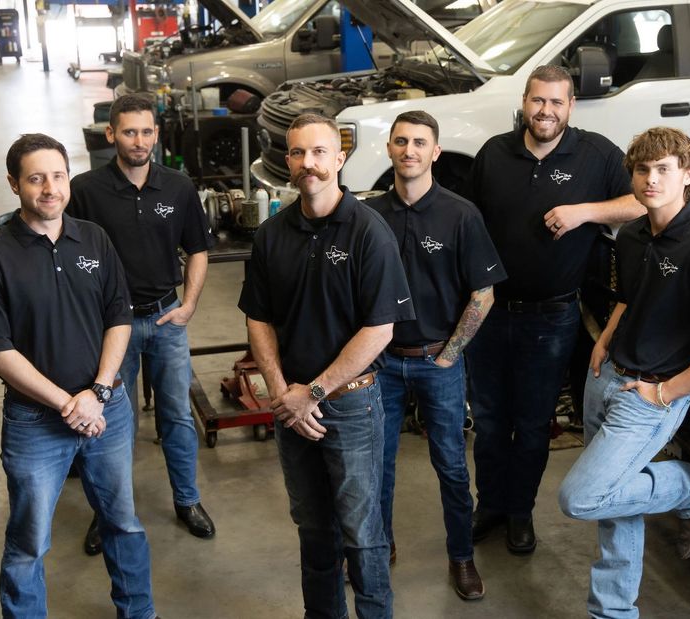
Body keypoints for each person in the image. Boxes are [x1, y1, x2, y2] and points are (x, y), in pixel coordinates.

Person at [557, 127, 690, 618]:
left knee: (582, 498)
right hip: (606, 376)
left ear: (688, 175)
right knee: (614, 503)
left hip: (649, 395)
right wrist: (602, 339)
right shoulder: (634, 233)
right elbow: (630, 297)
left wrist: (662, 394)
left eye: (664, 169)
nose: (651, 179)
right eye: (643, 169)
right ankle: (613, 613)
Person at [0, 133, 155, 619]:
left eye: (57, 175)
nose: (49, 188)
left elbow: (119, 316)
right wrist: (69, 404)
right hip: (36, 425)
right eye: (35, 178)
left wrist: (99, 391)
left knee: (124, 524)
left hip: (105, 411)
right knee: (29, 542)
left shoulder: (92, 238)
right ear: (14, 184)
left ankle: (139, 612)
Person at [239, 113, 415, 618]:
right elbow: (259, 319)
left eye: (319, 153)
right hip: (292, 408)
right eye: (298, 153)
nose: (308, 164)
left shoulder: (368, 233)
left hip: (350, 405)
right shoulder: (272, 235)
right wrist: (282, 394)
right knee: (313, 529)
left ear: (339, 159)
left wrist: (311, 393)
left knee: (362, 532)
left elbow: (380, 328)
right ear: (287, 161)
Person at [464, 64, 642, 554]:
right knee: (490, 419)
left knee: (534, 421)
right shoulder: (494, 154)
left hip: (552, 317)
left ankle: (520, 512)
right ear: (524, 101)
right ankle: (492, 505)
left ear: (570, 106)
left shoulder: (595, 154)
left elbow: (643, 201)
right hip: (490, 312)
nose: (545, 111)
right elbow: (468, 222)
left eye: (555, 102)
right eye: (537, 101)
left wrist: (585, 211)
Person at [68, 93, 216, 555]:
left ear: (157, 133)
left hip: (167, 317)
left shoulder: (178, 187)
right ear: (111, 134)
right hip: (114, 328)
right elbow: (69, 256)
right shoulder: (86, 190)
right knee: (112, 423)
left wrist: (189, 305)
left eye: (147, 131)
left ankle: (187, 500)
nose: (139, 141)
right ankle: (109, 513)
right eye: (129, 132)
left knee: (176, 417)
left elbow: (198, 249)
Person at [366, 111, 505, 601]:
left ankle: (461, 556)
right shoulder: (371, 215)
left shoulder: (460, 214)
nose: (409, 151)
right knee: (376, 465)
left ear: (435, 152)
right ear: (389, 148)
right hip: (380, 365)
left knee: (450, 464)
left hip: (436, 361)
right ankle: (377, 551)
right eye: (401, 141)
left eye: (420, 143)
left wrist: (449, 356)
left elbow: (483, 294)